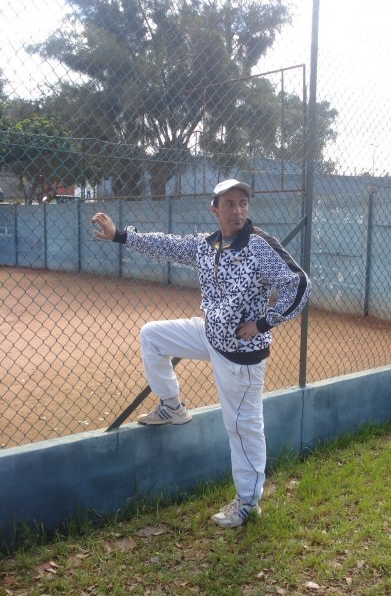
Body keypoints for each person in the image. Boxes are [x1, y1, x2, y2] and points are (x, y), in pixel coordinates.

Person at [91, 179, 311, 528]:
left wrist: (263, 323)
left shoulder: (258, 245)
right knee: (152, 336)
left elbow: (298, 285)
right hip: (209, 333)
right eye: (229, 204)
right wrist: (120, 236)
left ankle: (248, 503)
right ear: (215, 209)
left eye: (242, 203)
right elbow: (167, 245)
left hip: (241, 351)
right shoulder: (208, 246)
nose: (237, 210)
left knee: (242, 427)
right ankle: (172, 406)